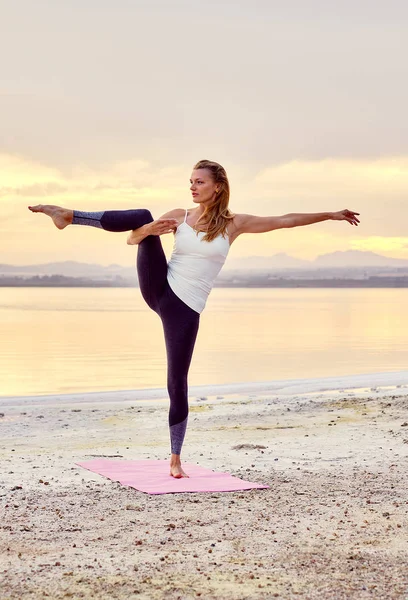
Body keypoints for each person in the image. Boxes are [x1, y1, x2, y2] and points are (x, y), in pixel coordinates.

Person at [28, 158, 360, 478]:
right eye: (191, 182)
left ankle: (175, 459)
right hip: (159, 287)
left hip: (185, 309)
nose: (192, 187)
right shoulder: (178, 216)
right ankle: (69, 216)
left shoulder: (234, 224)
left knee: (177, 382)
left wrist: (330, 214)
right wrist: (150, 230)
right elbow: (132, 238)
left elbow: (285, 219)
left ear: (218, 187)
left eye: (199, 182)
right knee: (142, 217)